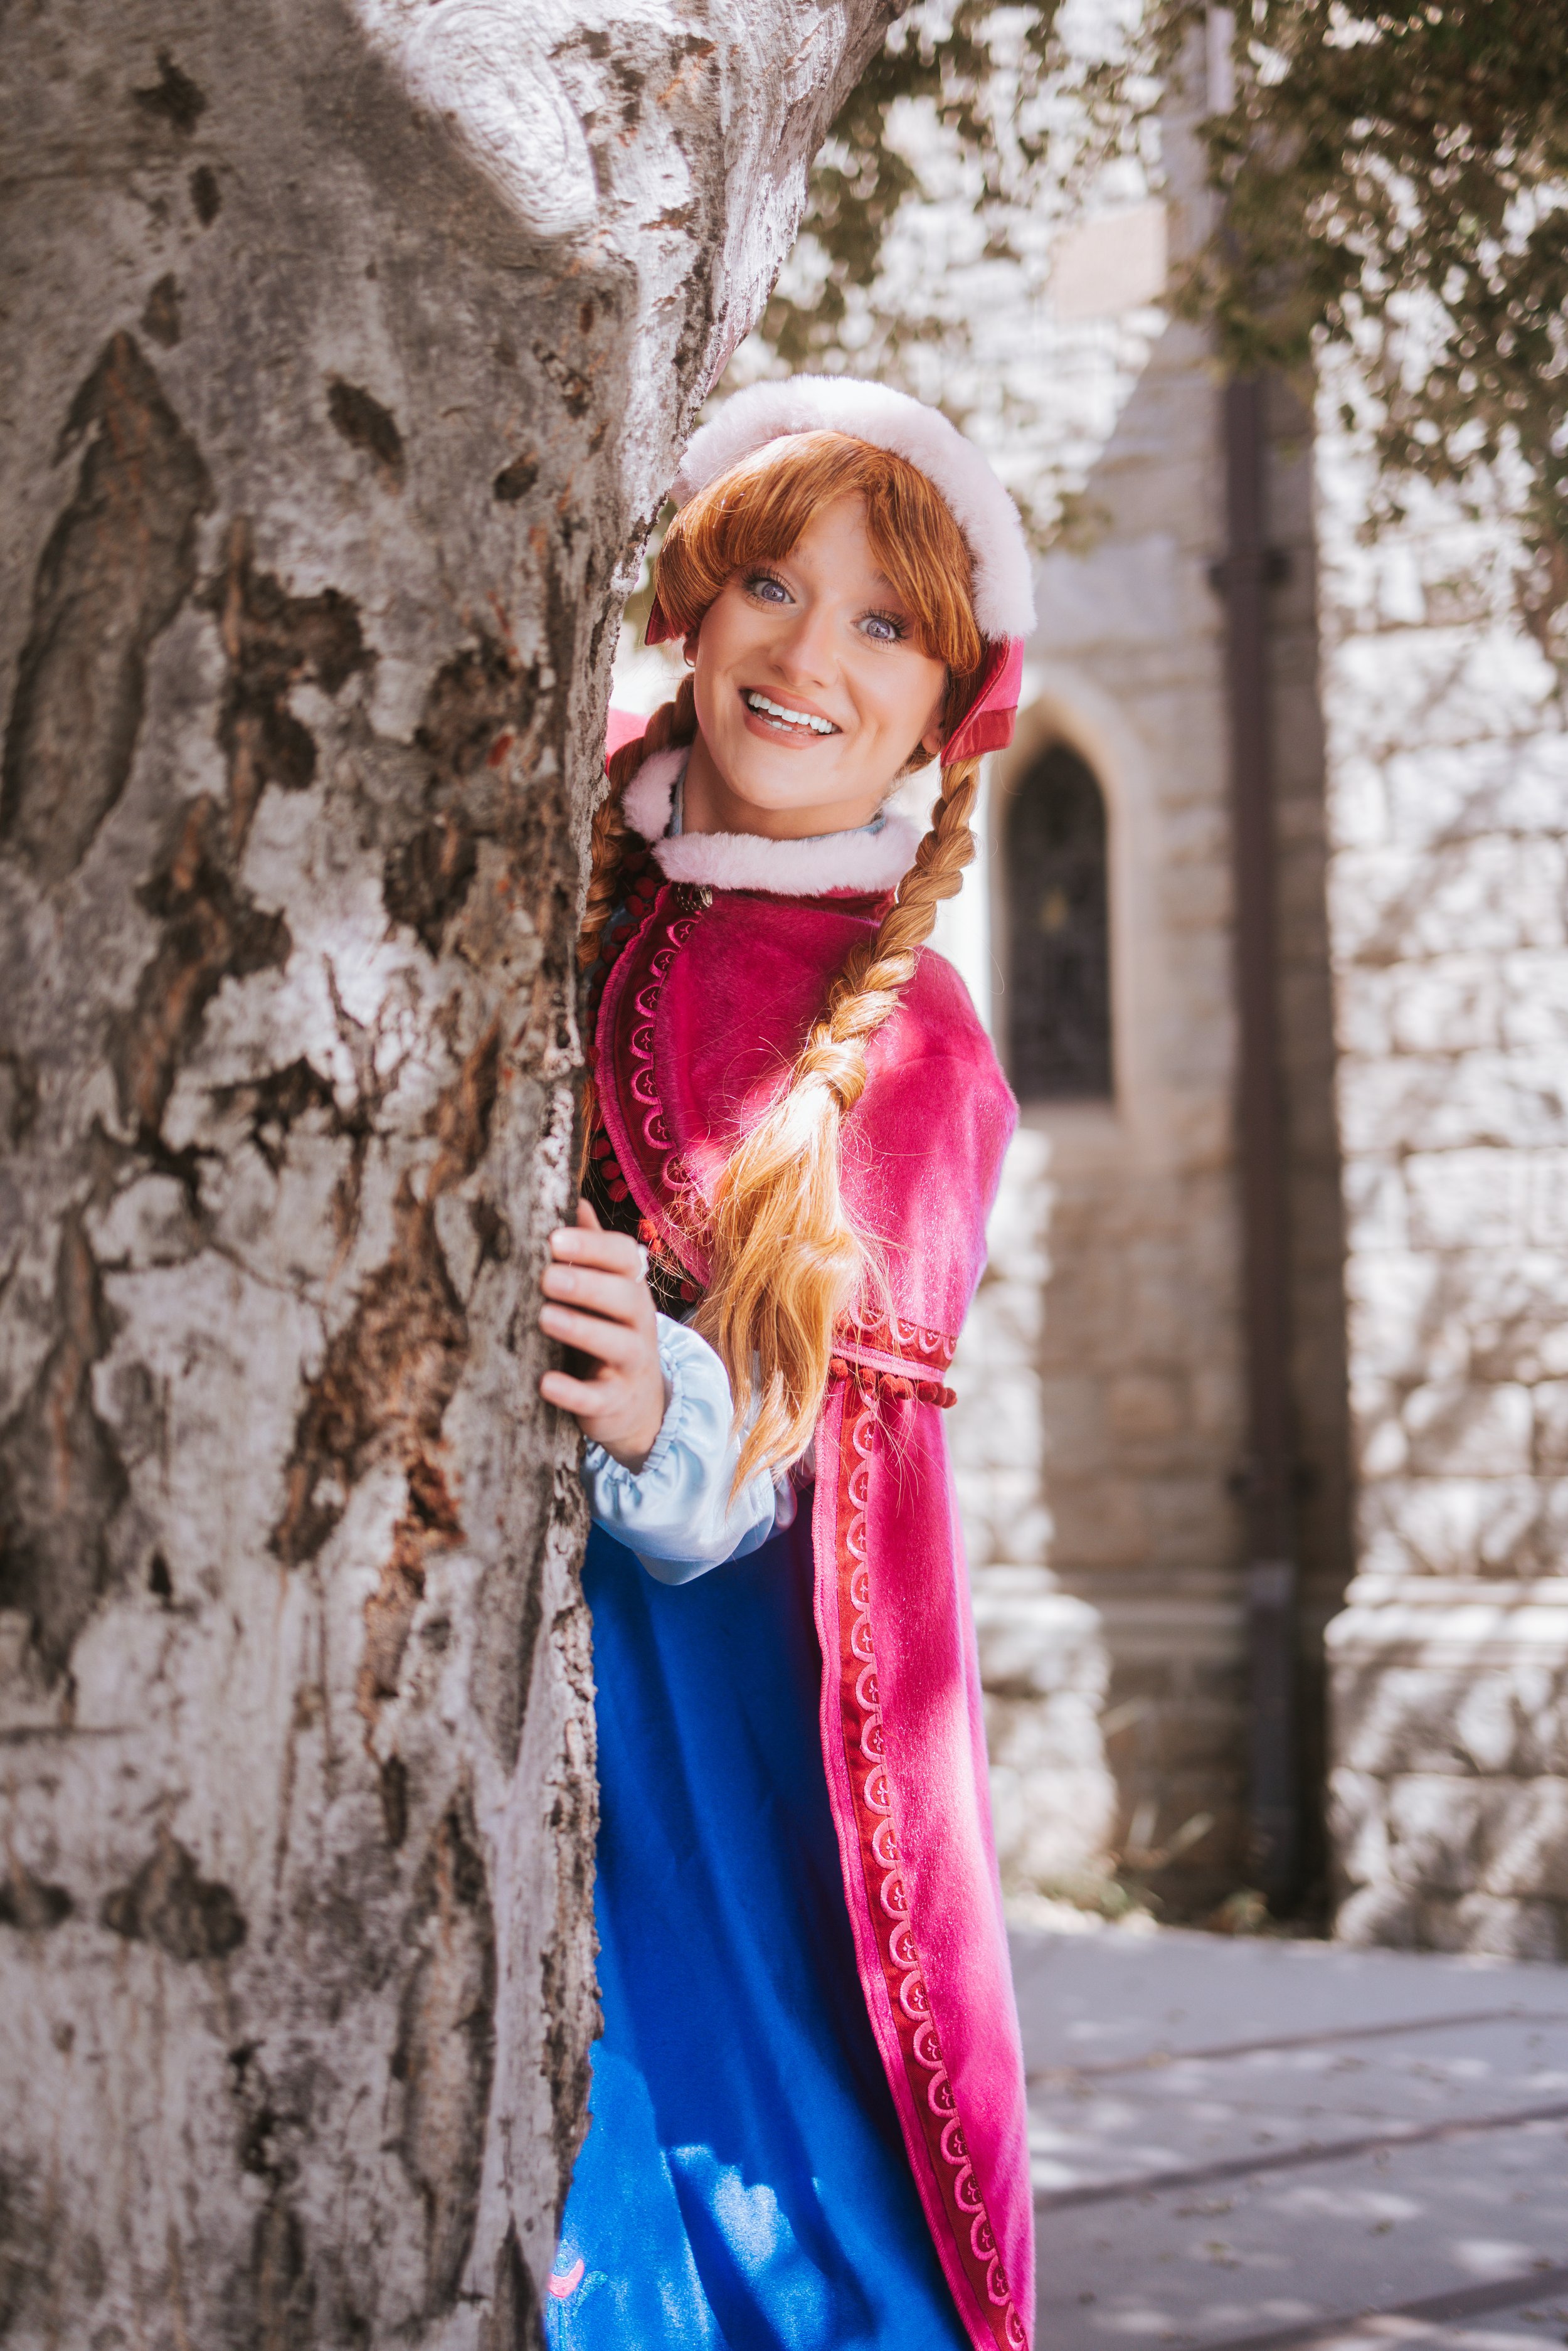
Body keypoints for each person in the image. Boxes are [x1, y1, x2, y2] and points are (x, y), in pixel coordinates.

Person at [536, 378, 1035, 2351]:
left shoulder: (911, 1045)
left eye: (883, 624)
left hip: (712, 1715)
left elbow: (813, 1472)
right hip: (524, 1644)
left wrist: (663, 1413)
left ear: (941, 711)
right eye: (769, 583)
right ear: (693, 602)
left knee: (721, 2177)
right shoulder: (565, 849)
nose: (808, 654)